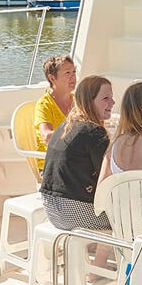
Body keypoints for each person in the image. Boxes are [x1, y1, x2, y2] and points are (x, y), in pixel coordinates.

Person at [39, 75, 116, 231]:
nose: (113, 103)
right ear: (89, 101)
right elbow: (108, 178)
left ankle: (98, 251)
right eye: (106, 98)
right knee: (129, 215)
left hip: (51, 209)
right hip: (72, 212)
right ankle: (114, 255)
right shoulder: (94, 132)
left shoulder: (65, 125)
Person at [33, 55, 77, 169]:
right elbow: (47, 136)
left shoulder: (78, 101)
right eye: (67, 73)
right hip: (51, 166)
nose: (73, 77)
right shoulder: (44, 104)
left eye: (74, 72)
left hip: (74, 160)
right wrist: (77, 134)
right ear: (52, 78)